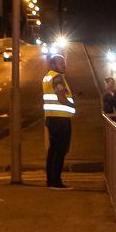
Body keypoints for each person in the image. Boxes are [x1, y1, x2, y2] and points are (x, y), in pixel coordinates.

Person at [42, 54, 75, 189]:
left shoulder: (47, 77)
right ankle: (56, 181)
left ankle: (51, 180)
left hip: (52, 118)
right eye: (61, 63)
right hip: (60, 120)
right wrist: (71, 105)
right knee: (60, 150)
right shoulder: (57, 77)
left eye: (64, 62)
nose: (63, 65)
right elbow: (60, 96)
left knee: (53, 150)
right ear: (53, 65)